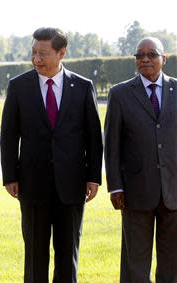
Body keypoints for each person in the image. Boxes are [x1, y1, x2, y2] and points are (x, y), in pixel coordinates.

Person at [0, 27, 103, 283]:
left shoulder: (82, 87)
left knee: (67, 255)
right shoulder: (18, 86)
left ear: (62, 53)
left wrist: (93, 177)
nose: (36, 59)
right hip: (32, 185)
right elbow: (9, 136)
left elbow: (93, 136)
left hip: (72, 185)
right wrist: (9, 175)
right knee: (35, 256)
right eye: (33, 52)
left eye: (43, 53)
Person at [104, 37, 177, 283]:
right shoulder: (120, 93)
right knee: (135, 266)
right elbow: (112, 145)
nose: (145, 59)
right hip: (135, 193)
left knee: (172, 265)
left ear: (163, 59)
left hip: (174, 191)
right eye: (139, 55)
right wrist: (115, 186)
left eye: (151, 54)